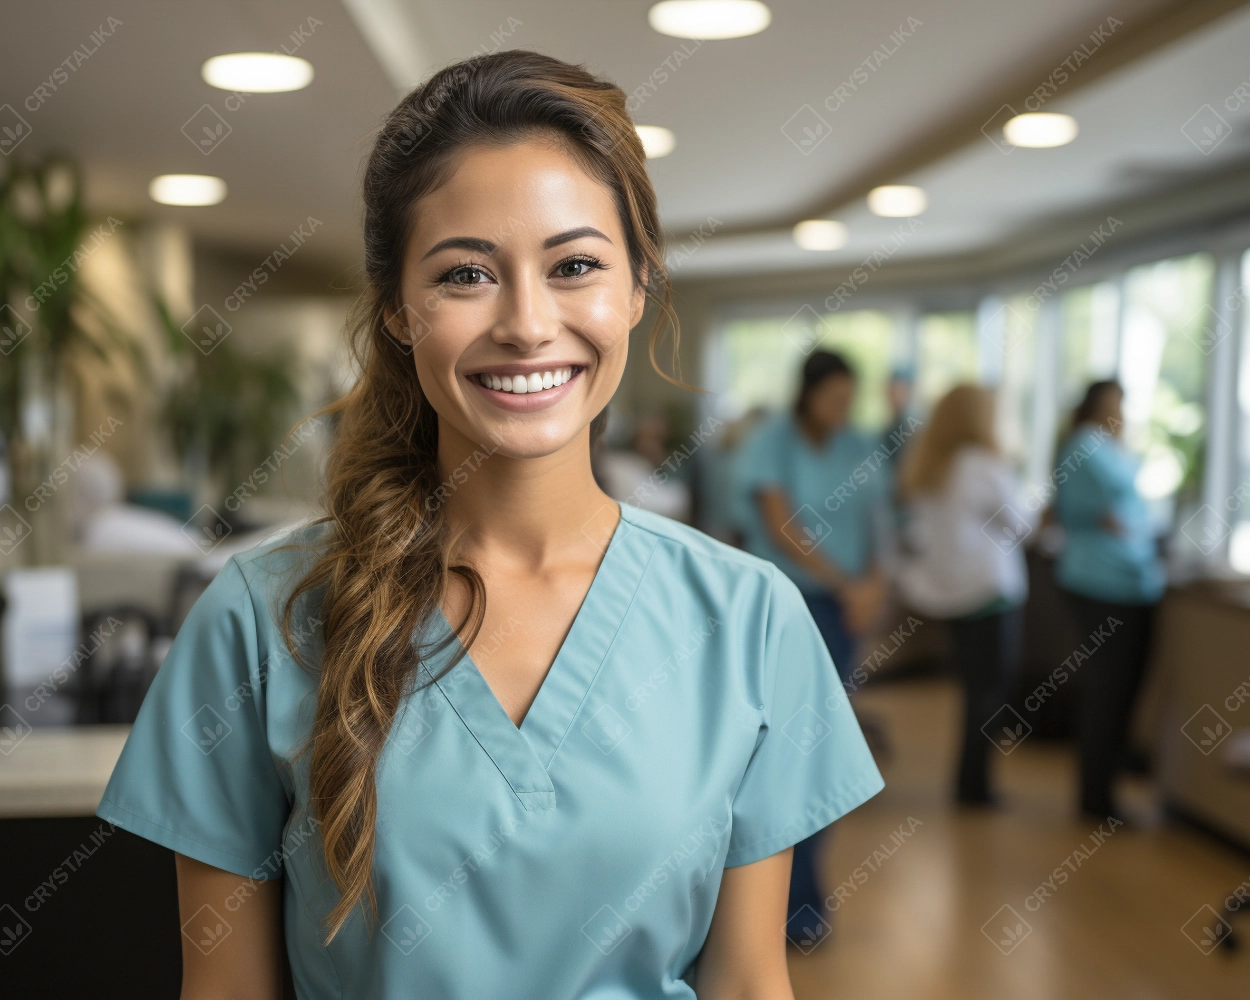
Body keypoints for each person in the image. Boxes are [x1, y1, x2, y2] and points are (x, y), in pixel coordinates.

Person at [96, 51, 882, 999]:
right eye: (467, 274)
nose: (526, 323)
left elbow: (751, 984)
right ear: (396, 309)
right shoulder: (259, 621)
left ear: (637, 287)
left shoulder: (751, 621)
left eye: (576, 266)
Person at [734, 348, 889, 939]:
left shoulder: (858, 445)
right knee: (777, 754)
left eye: (850, 399)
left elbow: (879, 524)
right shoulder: (772, 439)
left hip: (842, 609)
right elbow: (779, 526)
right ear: (807, 393)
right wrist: (845, 582)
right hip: (783, 604)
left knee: (819, 751)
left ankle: (803, 904)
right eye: (833, 398)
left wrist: (873, 587)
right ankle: (764, 909)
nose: (842, 409)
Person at [895, 384, 1027, 805]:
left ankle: (969, 781)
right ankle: (976, 785)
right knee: (989, 691)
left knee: (972, 689)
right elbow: (1020, 523)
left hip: (950, 594)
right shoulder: (984, 465)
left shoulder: (930, 464)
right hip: (989, 591)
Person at [1053, 379, 1164, 819]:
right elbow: (1095, 511)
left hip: (1132, 582)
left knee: (1122, 691)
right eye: (1115, 401)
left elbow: (1126, 513)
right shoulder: (1086, 445)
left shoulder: (1111, 447)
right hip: (1101, 583)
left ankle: (1104, 793)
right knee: (1109, 690)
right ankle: (1096, 799)